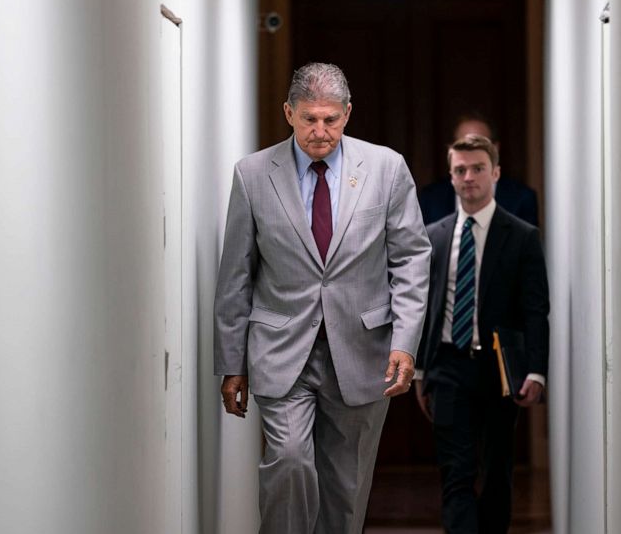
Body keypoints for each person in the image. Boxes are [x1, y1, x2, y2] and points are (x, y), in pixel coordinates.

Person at [214, 62, 431, 534]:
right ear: (288, 112)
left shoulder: (386, 168)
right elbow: (236, 273)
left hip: (362, 350)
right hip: (281, 348)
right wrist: (232, 363)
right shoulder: (253, 175)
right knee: (289, 463)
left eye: (330, 119)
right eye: (309, 118)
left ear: (348, 114)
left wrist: (406, 342)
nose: (320, 130)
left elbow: (412, 259)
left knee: (345, 487)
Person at [414, 134, 549, 533]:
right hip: (448, 367)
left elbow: (535, 310)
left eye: (477, 169)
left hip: (499, 370)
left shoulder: (522, 236)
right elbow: (424, 306)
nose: (468, 177)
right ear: (451, 176)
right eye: (460, 170)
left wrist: (536, 372)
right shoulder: (434, 236)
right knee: (455, 474)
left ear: (496, 173)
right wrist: (421, 371)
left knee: (495, 476)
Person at [417, 114, 539, 227]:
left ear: (495, 149)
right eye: (463, 146)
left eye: (479, 146)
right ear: (450, 151)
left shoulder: (522, 199)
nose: (471, 154)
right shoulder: (430, 199)